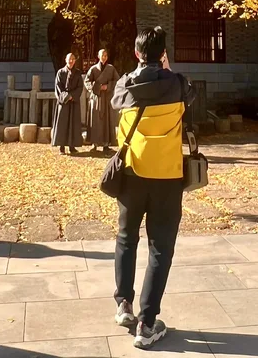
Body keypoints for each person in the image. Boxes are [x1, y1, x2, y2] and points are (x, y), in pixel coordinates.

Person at [111, 27, 195, 350]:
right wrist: (167, 70)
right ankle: (147, 323)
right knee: (161, 247)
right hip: (167, 177)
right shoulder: (176, 84)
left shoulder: (124, 86)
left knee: (126, 238)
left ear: (136, 53)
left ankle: (123, 305)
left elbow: (116, 101)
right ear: (163, 54)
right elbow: (190, 98)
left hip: (132, 174)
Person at [85, 48, 119, 155]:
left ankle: (106, 144)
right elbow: (87, 81)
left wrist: (108, 87)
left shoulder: (111, 68)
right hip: (96, 98)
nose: (104, 57)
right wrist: (97, 87)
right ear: (98, 57)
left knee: (106, 121)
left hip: (107, 98)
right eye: (102, 55)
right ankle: (94, 144)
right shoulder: (93, 69)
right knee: (94, 120)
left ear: (107, 57)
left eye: (105, 55)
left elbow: (117, 80)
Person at [52, 52, 83, 156]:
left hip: (73, 102)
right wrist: (66, 97)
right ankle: (61, 147)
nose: (71, 61)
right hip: (63, 103)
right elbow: (58, 87)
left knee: (73, 123)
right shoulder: (60, 72)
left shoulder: (78, 73)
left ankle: (72, 146)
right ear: (65, 60)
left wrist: (72, 96)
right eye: (69, 59)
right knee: (62, 123)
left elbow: (80, 87)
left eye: (73, 59)